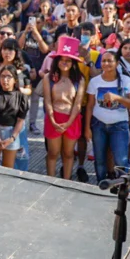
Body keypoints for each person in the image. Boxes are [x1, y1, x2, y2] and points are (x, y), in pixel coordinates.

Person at [85, 49, 130, 181]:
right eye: (104, 61)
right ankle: (101, 186)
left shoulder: (126, 81)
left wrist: (118, 98)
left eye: (110, 61)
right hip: (98, 124)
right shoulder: (95, 81)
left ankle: (125, 188)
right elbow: (90, 106)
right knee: (99, 159)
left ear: (117, 64)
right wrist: (87, 127)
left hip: (119, 125)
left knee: (121, 160)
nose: (106, 63)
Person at [42, 35, 85, 178]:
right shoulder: (48, 78)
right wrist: (53, 120)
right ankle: (51, 179)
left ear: (73, 62)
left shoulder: (80, 79)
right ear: (57, 60)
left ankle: (66, 181)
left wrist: (69, 122)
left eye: (68, 60)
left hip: (72, 120)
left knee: (68, 154)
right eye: (62, 59)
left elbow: (78, 104)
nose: (64, 62)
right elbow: (47, 100)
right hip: (53, 117)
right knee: (53, 153)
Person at [0, 65, 29, 169]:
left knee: (8, 169)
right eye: (2, 76)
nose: (5, 80)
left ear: (15, 80)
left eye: (9, 77)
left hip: (12, 132)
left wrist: (12, 138)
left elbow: (20, 120)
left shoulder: (21, 97)